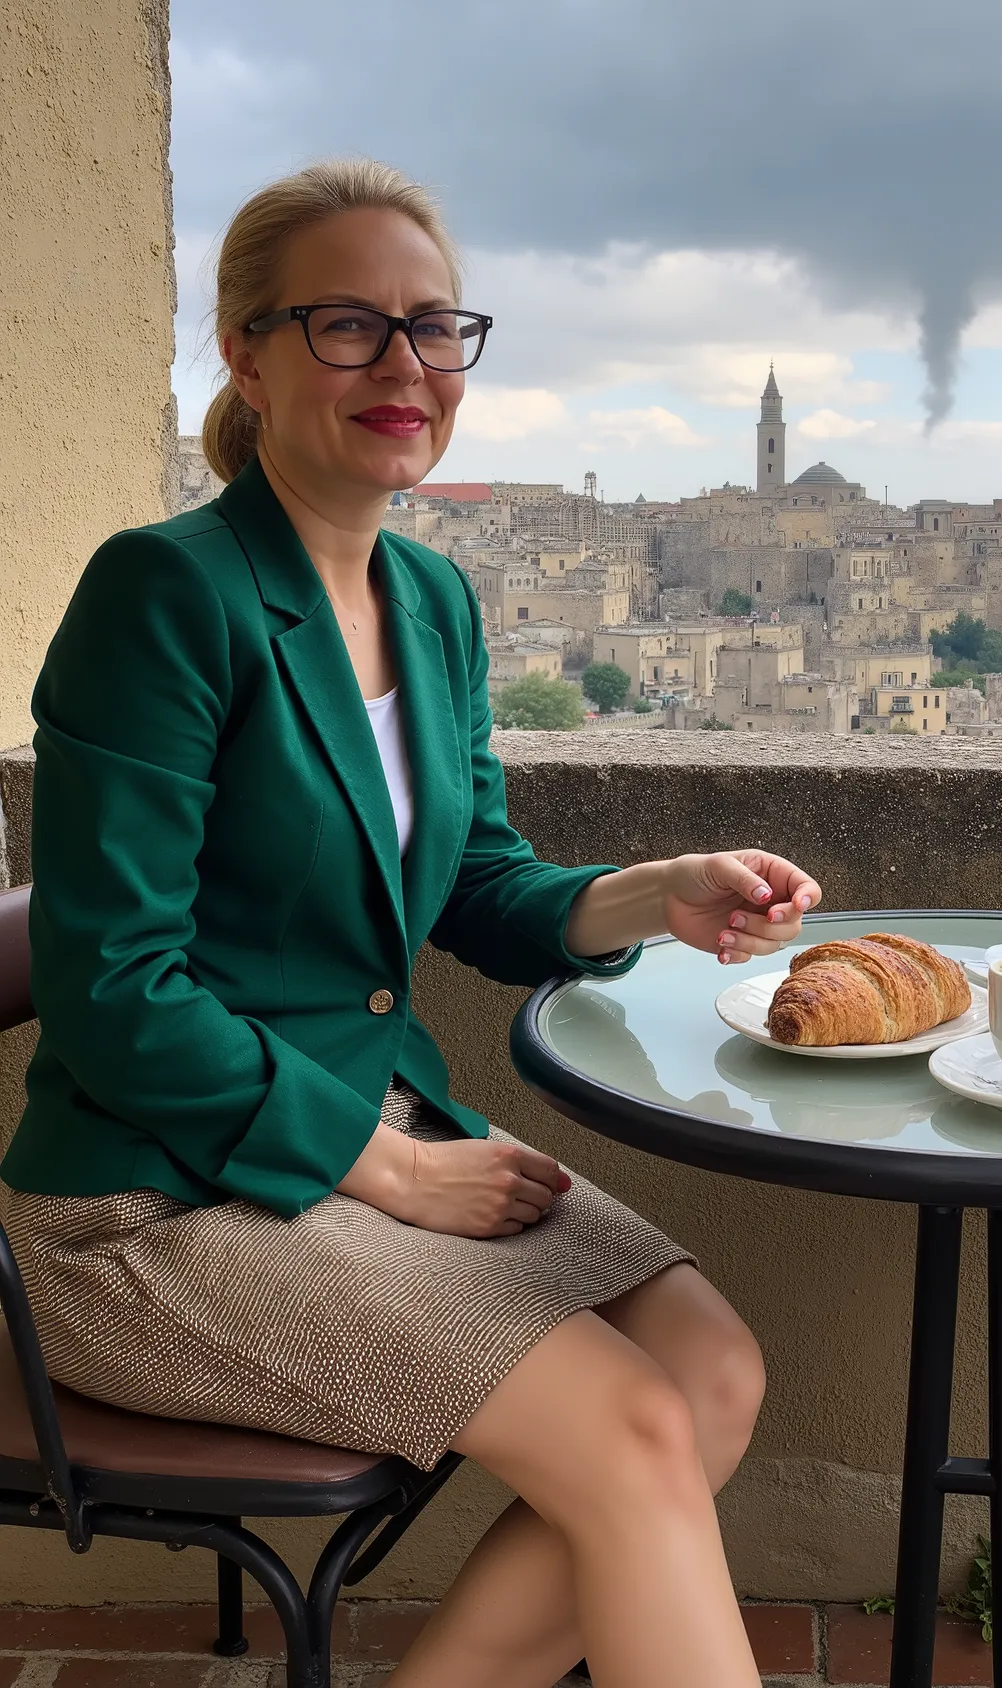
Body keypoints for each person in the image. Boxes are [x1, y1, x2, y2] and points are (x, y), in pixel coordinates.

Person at [2, 159, 823, 1688]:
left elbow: (470, 883)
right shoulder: (165, 593)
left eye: (436, 329)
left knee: (709, 1371)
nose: (405, 367)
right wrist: (388, 1168)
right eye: (347, 326)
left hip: (357, 1151)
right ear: (246, 356)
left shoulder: (435, 603)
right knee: (637, 1428)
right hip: (154, 1206)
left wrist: (662, 887)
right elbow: (111, 986)